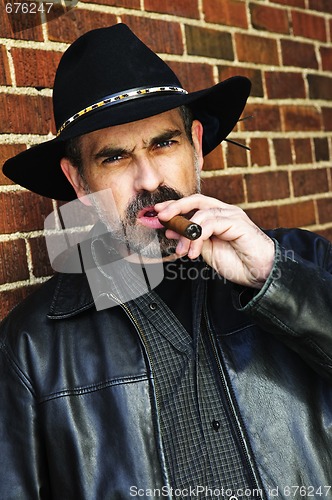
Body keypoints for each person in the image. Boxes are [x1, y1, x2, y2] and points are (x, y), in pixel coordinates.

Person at [1, 23, 332, 500]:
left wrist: (273, 279)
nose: (148, 178)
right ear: (78, 182)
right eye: (114, 157)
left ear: (196, 145)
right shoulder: (31, 348)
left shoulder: (302, 262)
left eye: (164, 143)